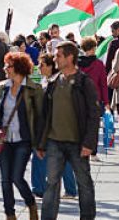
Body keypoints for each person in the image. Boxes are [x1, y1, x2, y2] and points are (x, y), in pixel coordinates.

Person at [38, 41, 99, 220]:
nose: (55, 58)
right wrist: (41, 143)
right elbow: (45, 115)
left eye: (58, 55)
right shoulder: (52, 82)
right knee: (51, 184)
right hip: (54, 142)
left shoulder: (84, 82)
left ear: (70, 57)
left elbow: (94, 115)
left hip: (78, 143)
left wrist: (89, 143)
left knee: (84, 184)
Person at [0, 52, 43, 220]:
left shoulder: (33, 89)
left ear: (18, 68)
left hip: (24, 139)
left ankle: (31, 203)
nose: (5, 69)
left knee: (17, 177)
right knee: (5, 180)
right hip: (4, 140)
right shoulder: (2, 87)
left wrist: (40, 143)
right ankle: (10, 214)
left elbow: (39, 118)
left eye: (8, 66)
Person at [30, 53, 78, 199]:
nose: (39, 67)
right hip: (57, 127)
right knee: (62, 159)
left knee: (40, 156)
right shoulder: (49, 81)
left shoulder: (53, 83)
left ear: (51, 66)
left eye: (42, 65)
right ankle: (70, 189)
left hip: (51, 127)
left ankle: (39, 188)